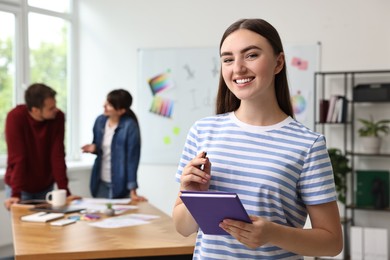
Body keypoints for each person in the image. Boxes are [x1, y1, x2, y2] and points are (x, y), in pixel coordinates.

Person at [172, 19, 343, 259]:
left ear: (278, 62)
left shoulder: (308, 145)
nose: (238, 68)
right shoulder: (202, 131)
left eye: (251, 55)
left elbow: (332, 242)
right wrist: (193, 194)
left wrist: (272, 233)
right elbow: (183, 228)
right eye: (228, 59)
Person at [4, 83, 79, 210]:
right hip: (20, 187)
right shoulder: (15, 118)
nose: (56, 109)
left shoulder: (58, 117)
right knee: (23, 229)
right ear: (35, 110)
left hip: (45, 187)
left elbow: (57, 156)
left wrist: (65, 192)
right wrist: (16, 194)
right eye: (51, 108)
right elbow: (18, 158)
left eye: (55, 105)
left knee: (44, 227)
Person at [82, 89, 147, 201]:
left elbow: (132, 160)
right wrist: (94, 148)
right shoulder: (100, 121)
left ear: (121, 110)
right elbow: (99, 147)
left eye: (109, 104)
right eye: (106, 102)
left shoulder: (130, 126)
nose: (104, 105)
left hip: (119, 185)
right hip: (99, 181)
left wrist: (133, 191)